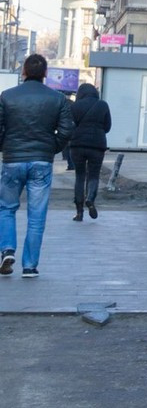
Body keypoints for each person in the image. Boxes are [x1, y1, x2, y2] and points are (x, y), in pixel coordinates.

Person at [0, 54, 75, 276]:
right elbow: (66, 130)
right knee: (37, 215)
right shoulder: (57, 99)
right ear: (45, 73)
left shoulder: (6, 97)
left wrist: (6, 147)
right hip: (41, 161)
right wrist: (51, 148)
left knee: (6, 208)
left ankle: (7, 249)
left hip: (13, 160)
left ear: (23, 71)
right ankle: (30, 266)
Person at [68, 83, 111, 222]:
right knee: (93, 175)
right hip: (97, 146)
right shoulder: (103, 105)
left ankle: (79, 213)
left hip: (77, 145)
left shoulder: (74, 106)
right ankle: (90, 199)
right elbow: (107, 126)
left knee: (79, 176)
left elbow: (69, 125)